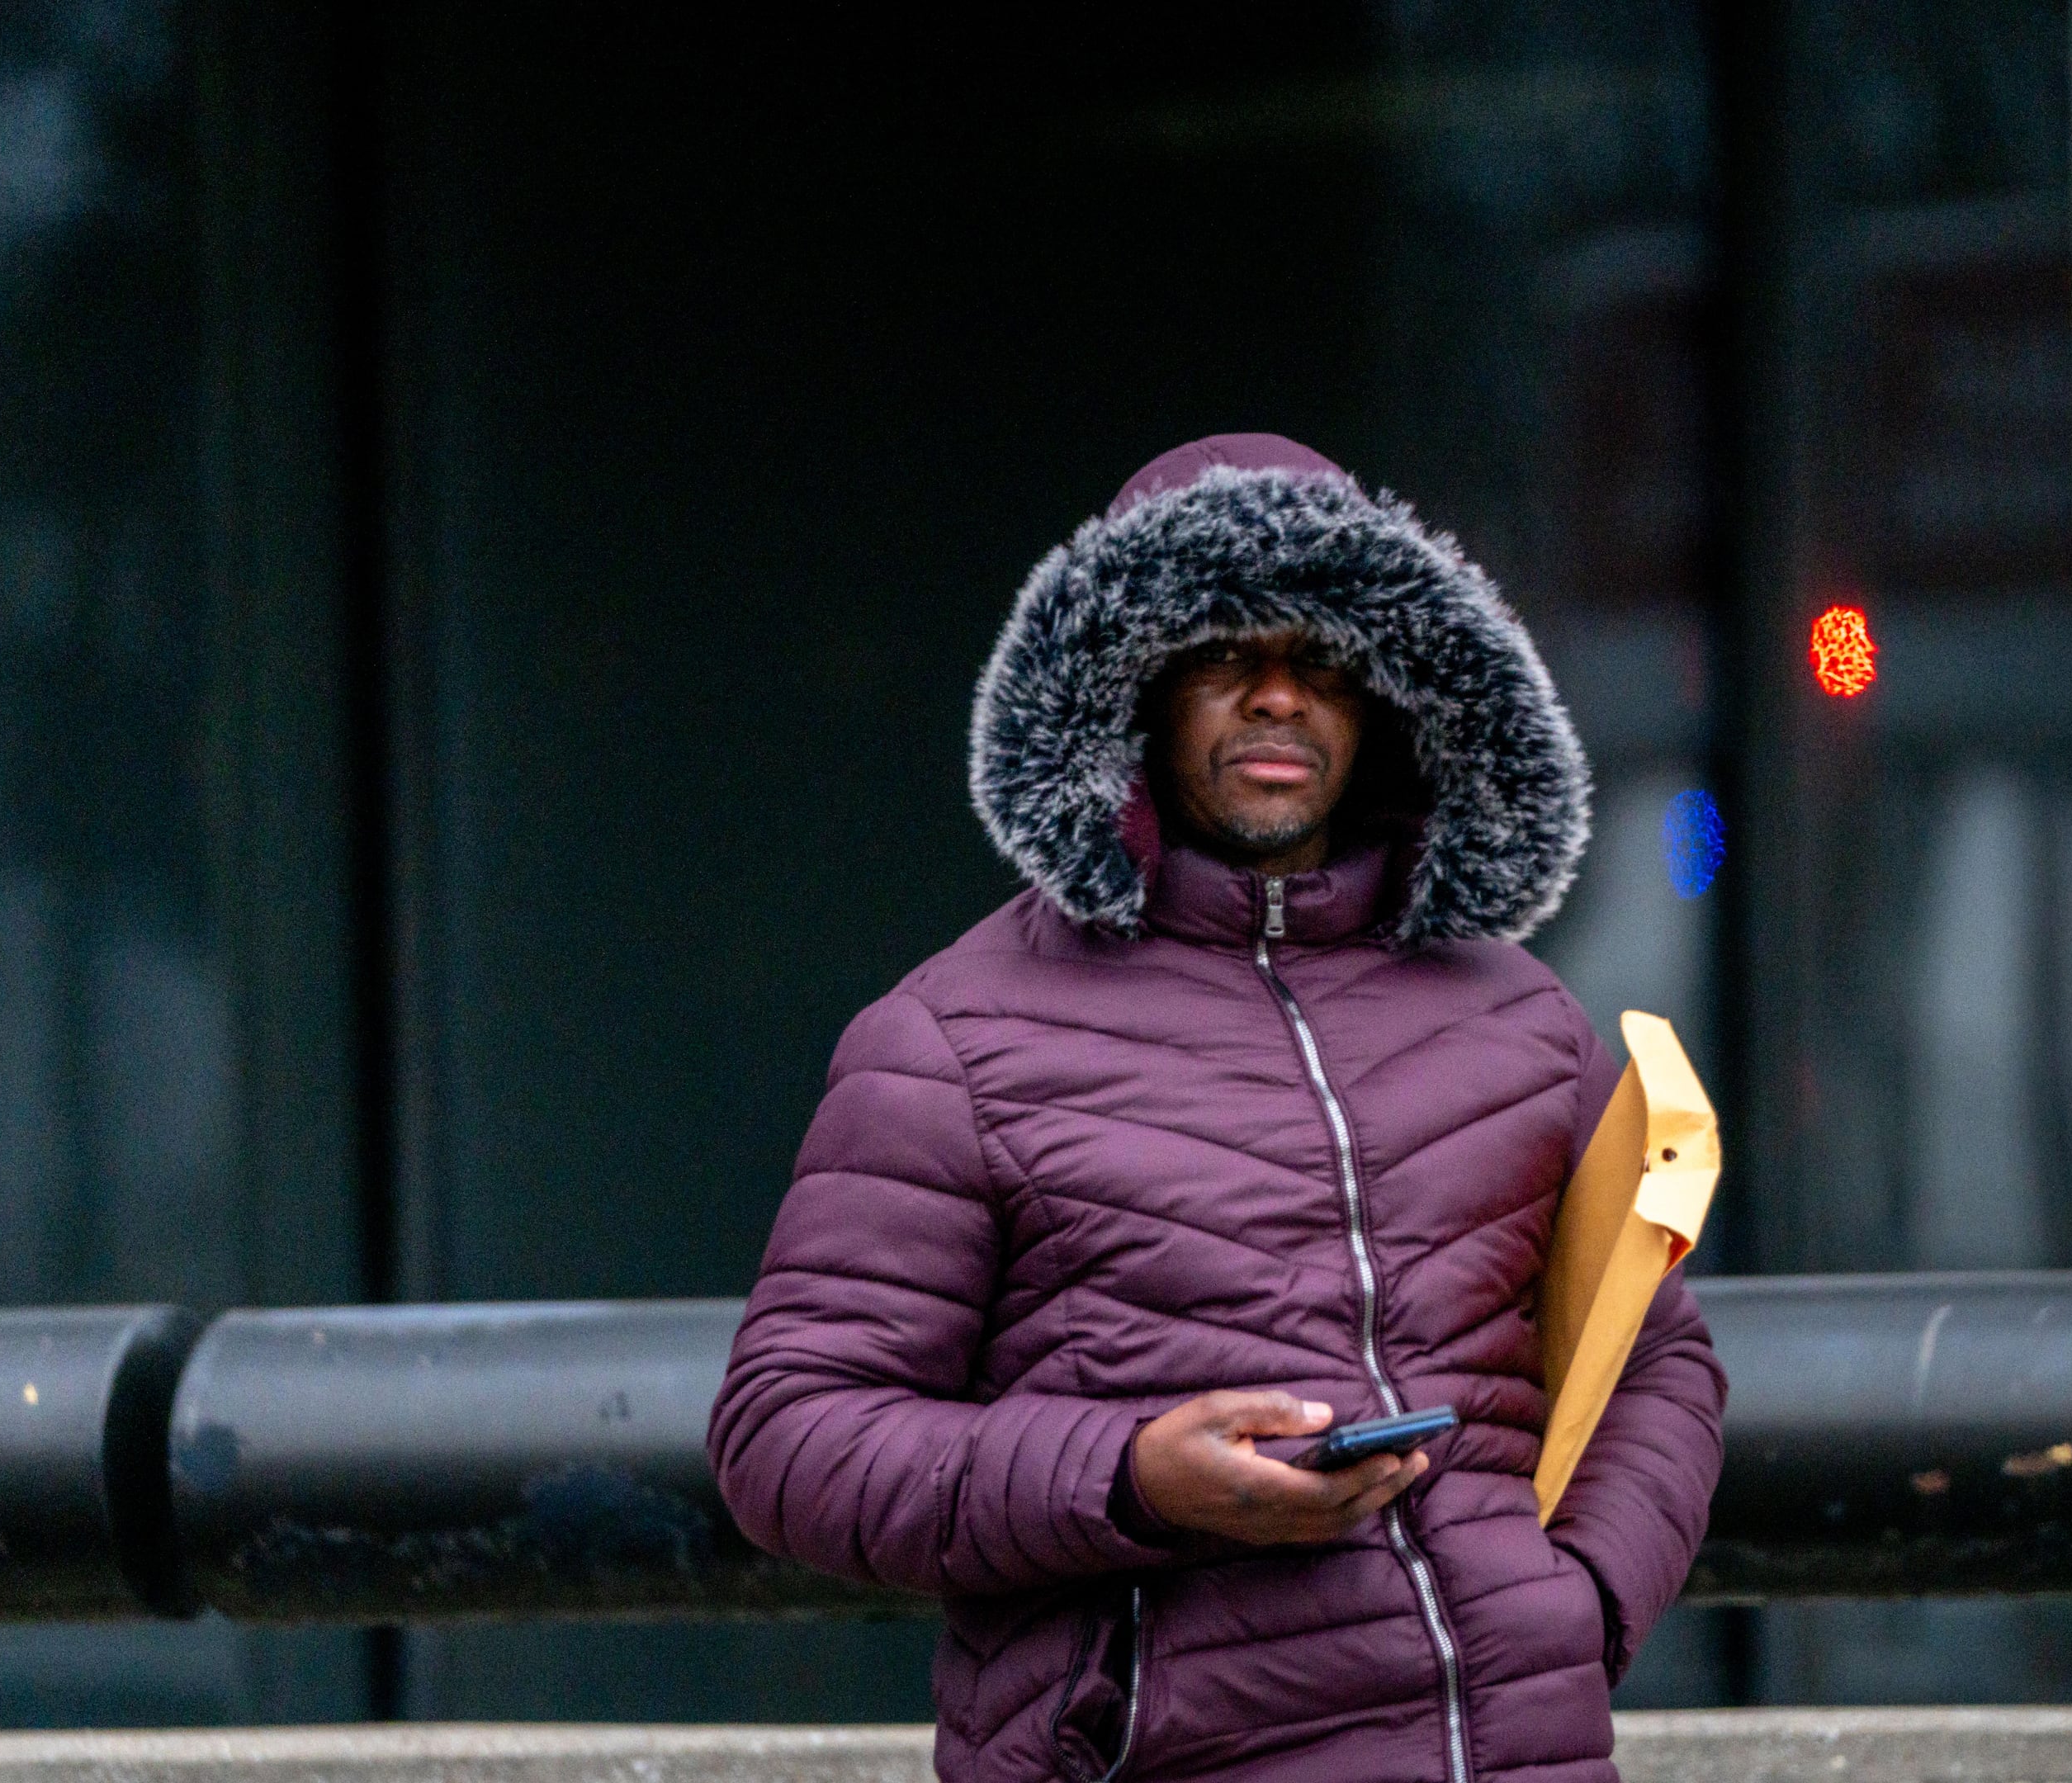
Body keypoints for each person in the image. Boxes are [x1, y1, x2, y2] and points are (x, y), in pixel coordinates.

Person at [711, 434, 1724, 1783]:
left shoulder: (1518, 1017)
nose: (1276, 699)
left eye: (1320, 659)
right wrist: (1132, 1477)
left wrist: (1580, 1599)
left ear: (1389, 699)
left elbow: (1661, 1363)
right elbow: (788, 1437)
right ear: (1127, 692)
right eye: (1221, 657)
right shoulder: (950, 1036)